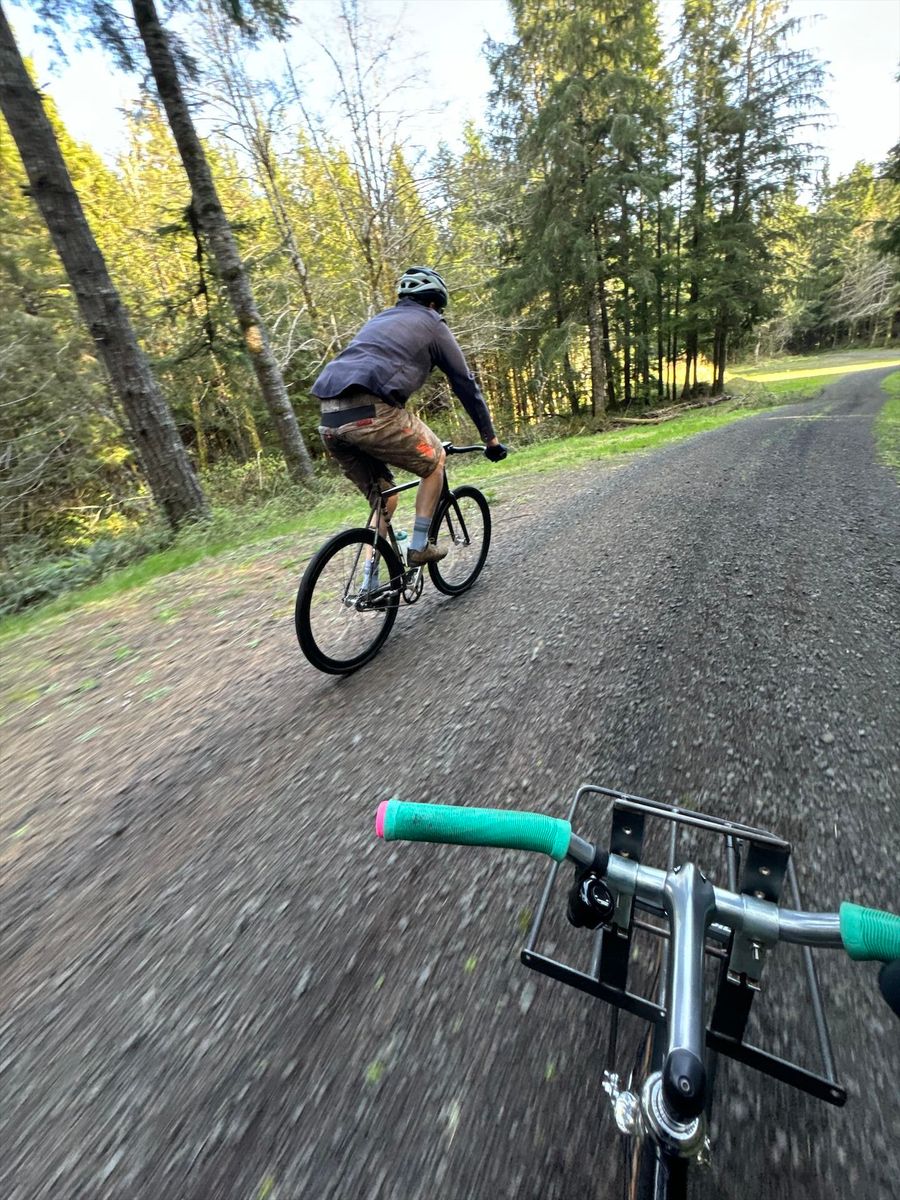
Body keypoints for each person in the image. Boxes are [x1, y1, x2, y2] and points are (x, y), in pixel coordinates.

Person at [311, 266, 507, 589]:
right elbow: (464, 383)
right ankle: (419, 546)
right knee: (435, 459)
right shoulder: (432, 323)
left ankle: (369, 583)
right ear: (433, 303)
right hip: (372, 413)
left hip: (329, 418)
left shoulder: (380, 321)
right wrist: (491, 439)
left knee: (384, 499)